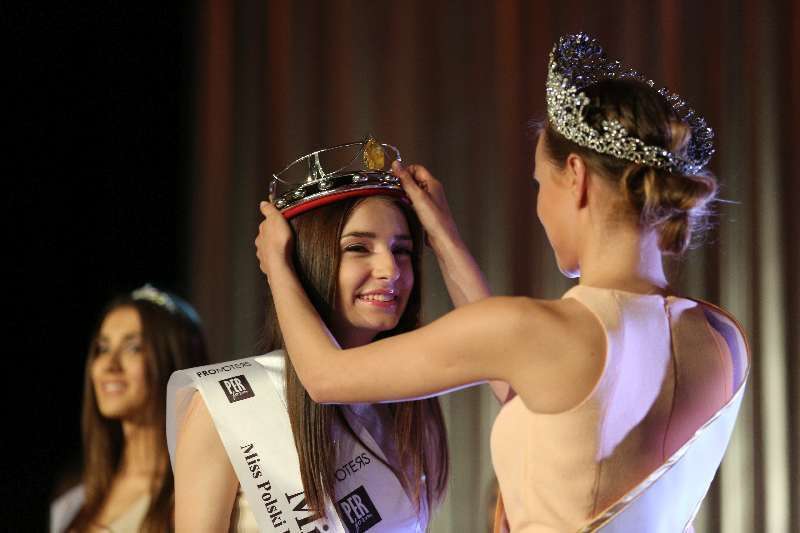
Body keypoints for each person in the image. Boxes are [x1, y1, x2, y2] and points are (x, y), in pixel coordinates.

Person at [255, 35, 750, 532]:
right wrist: (444, 237)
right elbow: (541, 385)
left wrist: (278, 262)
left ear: (575, 177)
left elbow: (326, 378)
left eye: (539, 183)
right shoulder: (721, 336)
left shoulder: (538, 332)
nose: (540, 206)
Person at [169, 140, 455, 532]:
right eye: (359, 248)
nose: (390, 269)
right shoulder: (230, 406)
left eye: (402, 250)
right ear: (308, 258)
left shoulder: (408, 406)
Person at [50, 285, 209, 533]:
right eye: (103, 349)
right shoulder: (75, 499)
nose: (109, 365)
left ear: (172, 359)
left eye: (133, 348)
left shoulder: (197, 491)